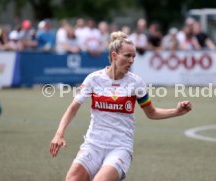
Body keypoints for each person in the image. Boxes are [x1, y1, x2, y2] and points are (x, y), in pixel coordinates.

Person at [49, 31, 192, 181]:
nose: (131, 60)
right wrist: (59, 134)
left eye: (134, 56)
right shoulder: (94, 79)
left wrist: (177, 111)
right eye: (127, 56)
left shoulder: (136, 83)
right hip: (93, 145)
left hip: (120, 148)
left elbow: (152, 113)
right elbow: (73, 108)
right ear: (114, 56)